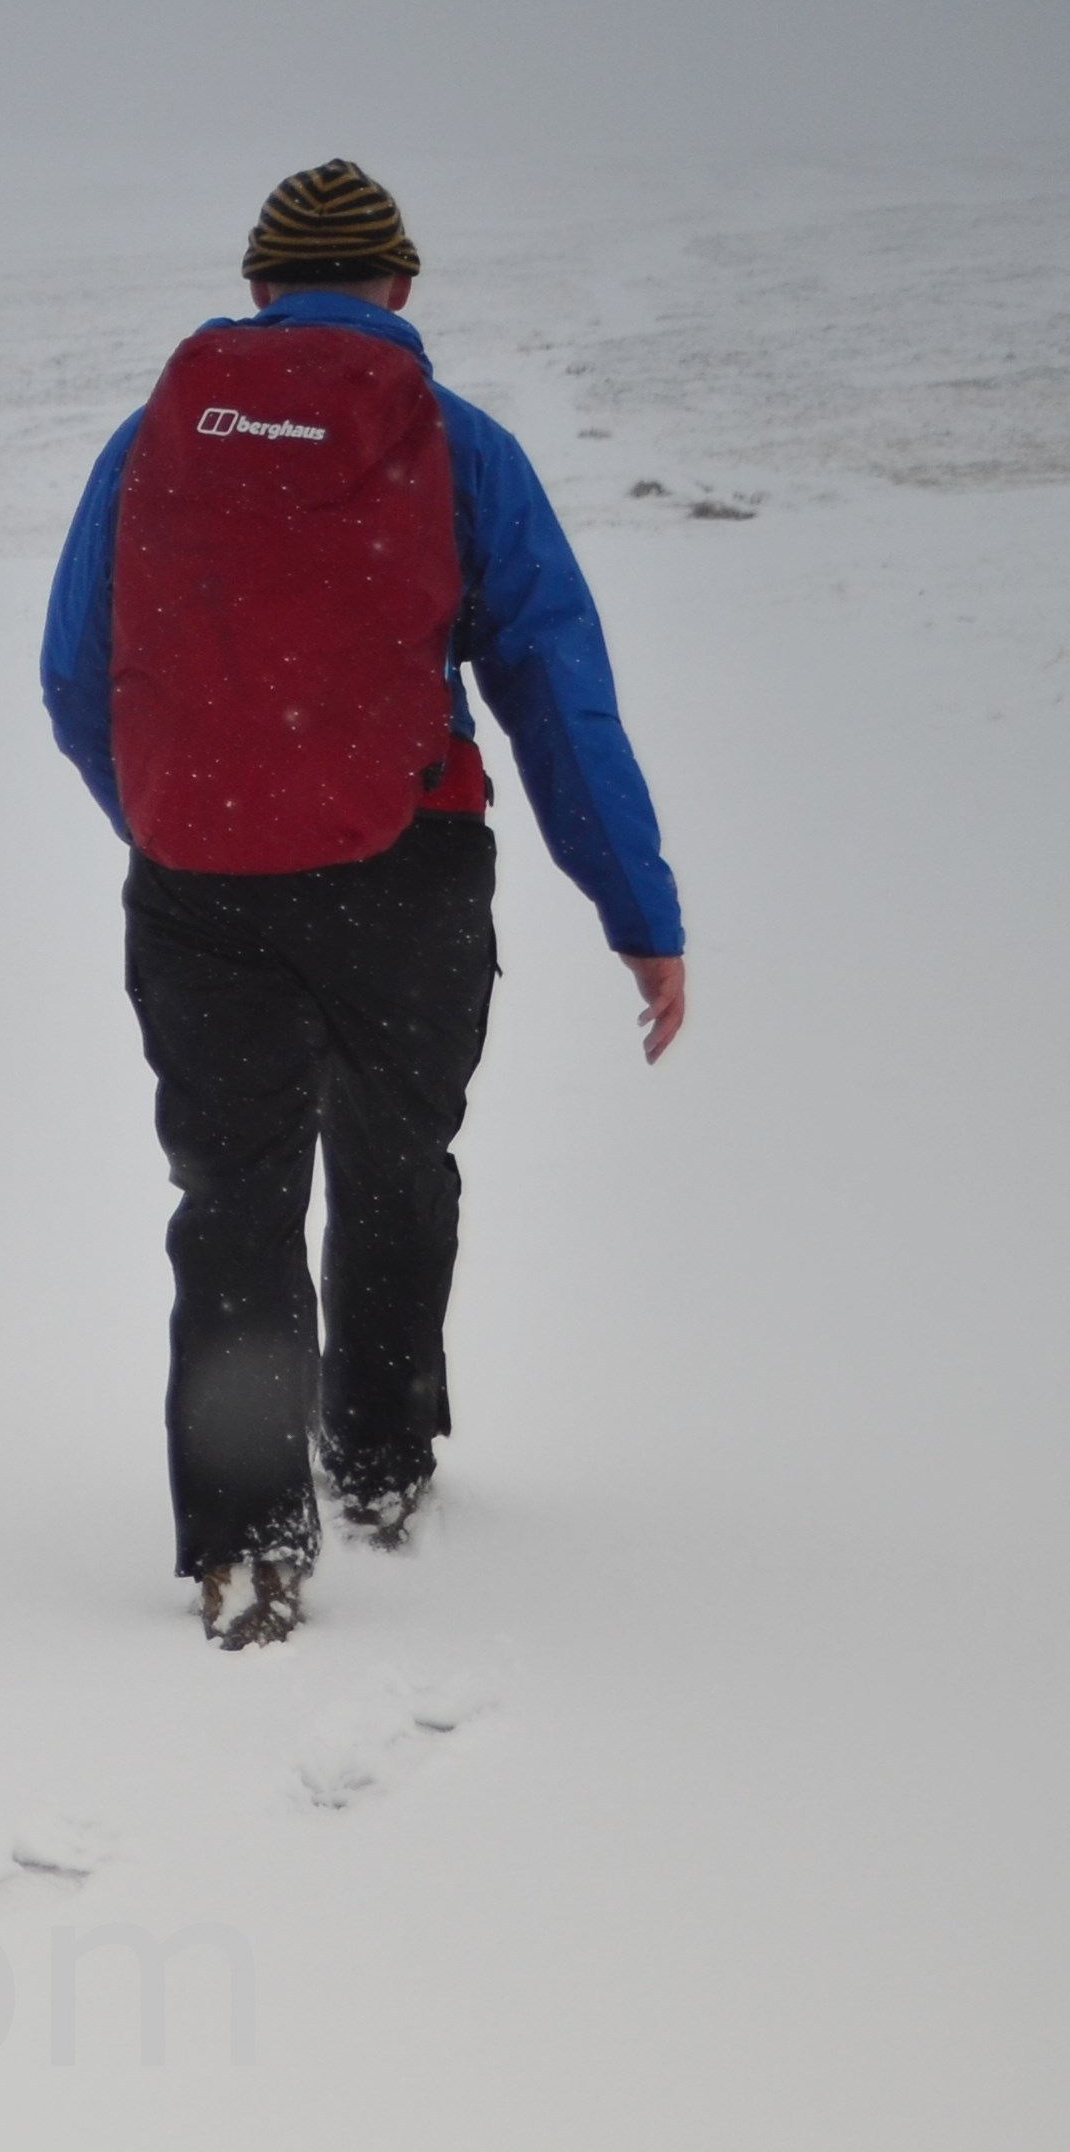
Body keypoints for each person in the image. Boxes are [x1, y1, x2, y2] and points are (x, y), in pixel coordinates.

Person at [41, 161, 686, 1650]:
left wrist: (173, 824)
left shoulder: (150, 443)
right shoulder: (464, 450)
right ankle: (383, 1470)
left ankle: (245, 1548)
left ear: (259, 285)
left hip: (202, 888)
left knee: (234, 1199)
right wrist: (637, 909)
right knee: (397, 1164)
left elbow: (76, 677)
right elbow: (556, 694)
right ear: (399, 286)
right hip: (409, 874)